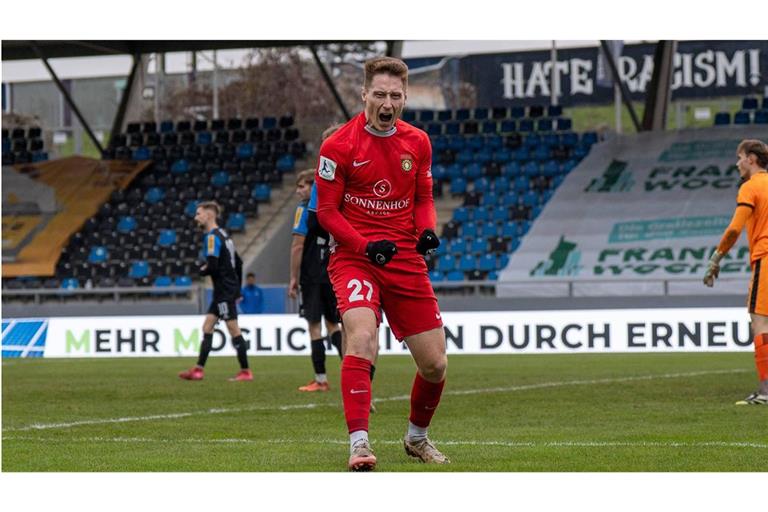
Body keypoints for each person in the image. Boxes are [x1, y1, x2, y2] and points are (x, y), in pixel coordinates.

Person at [316, 56, 448, 471]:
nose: (387, 103)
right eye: (379, 94)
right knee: (361, 338)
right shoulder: (337, 146)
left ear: (404, 97)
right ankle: (359, 444)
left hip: (404, 257)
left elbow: (423, 198)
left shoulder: (418, 142)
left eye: (395, 95)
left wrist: (427, 230)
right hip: (355, 257)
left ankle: (416, 438)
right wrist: (364, 245)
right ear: (364, 95)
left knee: (435, 364)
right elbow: (327, 212)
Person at [704, 139, 768, 405]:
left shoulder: (750, 187)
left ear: (751, 159)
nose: (737, 163)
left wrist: (716, 258)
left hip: (765, 256)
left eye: (739, 157)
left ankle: (766, 392)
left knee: (760, 323)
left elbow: (734, 229)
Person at [179, 201, 253, 382]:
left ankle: (245, 371)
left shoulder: (212, 238)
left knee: (233, 329)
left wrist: (200, 270)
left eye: (198, 214)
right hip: (225, 290)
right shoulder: (225, 235)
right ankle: (198, 370)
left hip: (224, 291)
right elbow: (239, 263)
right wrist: (237, 288)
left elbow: (212, 266)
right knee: (207, 326)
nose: (196, 217)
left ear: (209, 215)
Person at [289, 169, 343, 391]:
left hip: (311, 276)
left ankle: (320, 380)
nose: (298, 191)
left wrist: (293, 277)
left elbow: (298, 245)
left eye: (302, 186)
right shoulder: (331, 210)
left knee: (314, 327)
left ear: (313, 188)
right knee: (333, 325)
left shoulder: (304, 210)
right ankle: (355, 374)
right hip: (331, 274)